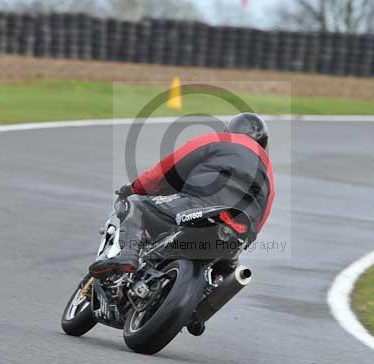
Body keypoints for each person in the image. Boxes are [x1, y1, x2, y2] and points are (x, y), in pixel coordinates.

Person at [88, 112, 275, 278]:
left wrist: (136, 187)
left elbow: (167, 167)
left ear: (230, 130)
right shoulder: (268, 172)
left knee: (137, 205)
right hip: (238, 231)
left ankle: (127, 254)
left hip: (200, 205)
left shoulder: (220, 140)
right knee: (220, 273)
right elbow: (264, 213)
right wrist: (247, 240)